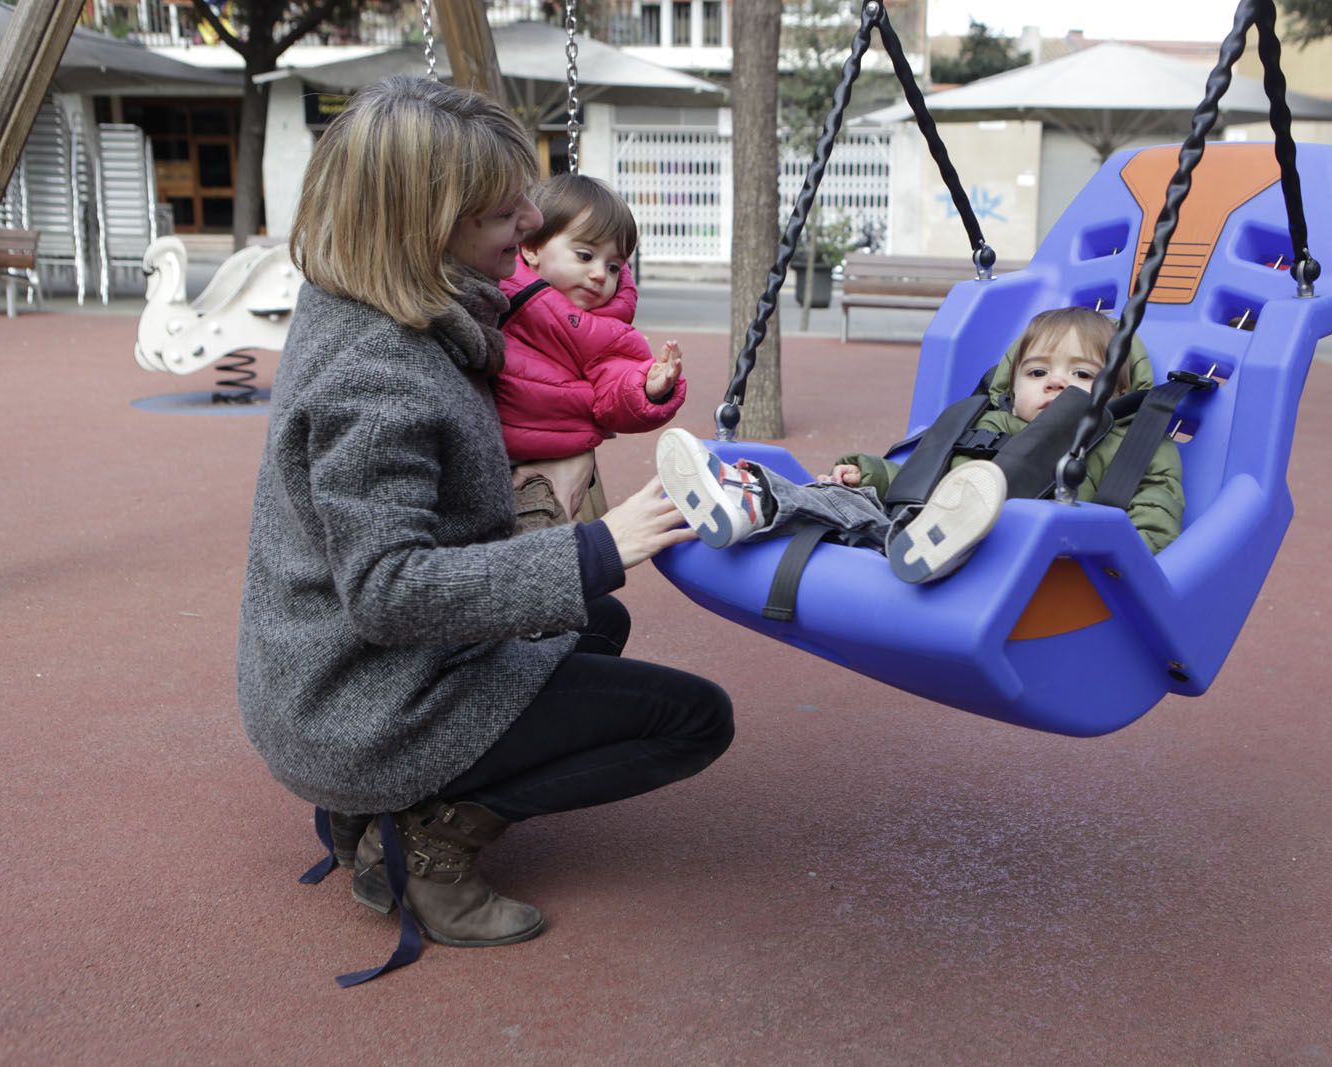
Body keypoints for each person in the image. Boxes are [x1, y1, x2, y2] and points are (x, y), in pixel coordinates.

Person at [236, 76, 732, 962]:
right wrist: (598, 544)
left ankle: (368, 812)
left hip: (325, 669)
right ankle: (427, 837)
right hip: (356, 702)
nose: (530, 228)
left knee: (596, 621)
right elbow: (389, 590)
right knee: (694, 718)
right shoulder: (379, 375)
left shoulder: (370, 301)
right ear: (432, 225)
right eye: (506, 215)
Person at [655, 307, 1184, 583]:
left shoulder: (1128, 445)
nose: (1056, 384)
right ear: (1013, 382)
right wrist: (869, 473)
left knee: (961, 525)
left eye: (1082, 375)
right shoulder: (983, 421)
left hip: (1017, 557)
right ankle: (748, 500)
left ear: (1119, 392)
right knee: (837, 499)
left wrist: (1110, 567)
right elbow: (914, 476)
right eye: (1038, 372)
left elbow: (1154, 520)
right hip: (909, 526)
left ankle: (939, 543)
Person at [495, 173, 687, 531]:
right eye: (585, 256)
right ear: (531, 248)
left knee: (557, 544)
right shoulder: (499, 288)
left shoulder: (603, 330)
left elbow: (613, 388)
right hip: (490, 451)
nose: (600, 274)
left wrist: (647, 387)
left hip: (552, 463)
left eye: (614, 267)